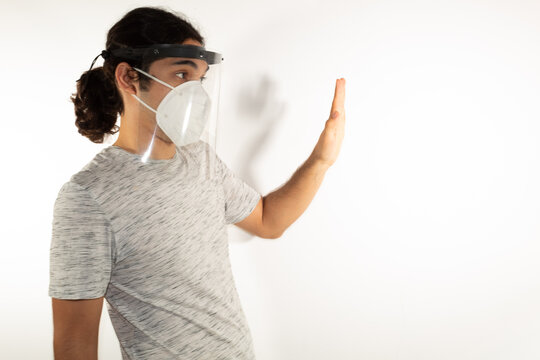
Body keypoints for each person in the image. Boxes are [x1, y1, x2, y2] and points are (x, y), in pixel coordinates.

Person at [48, 6, 346, 360]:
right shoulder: (87, 196)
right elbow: (74, 344)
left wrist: (322, 160)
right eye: (180, 74)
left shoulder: (200, 159)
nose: (194, 93)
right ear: (129, 77)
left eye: (200, 79)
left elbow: (268, 220)